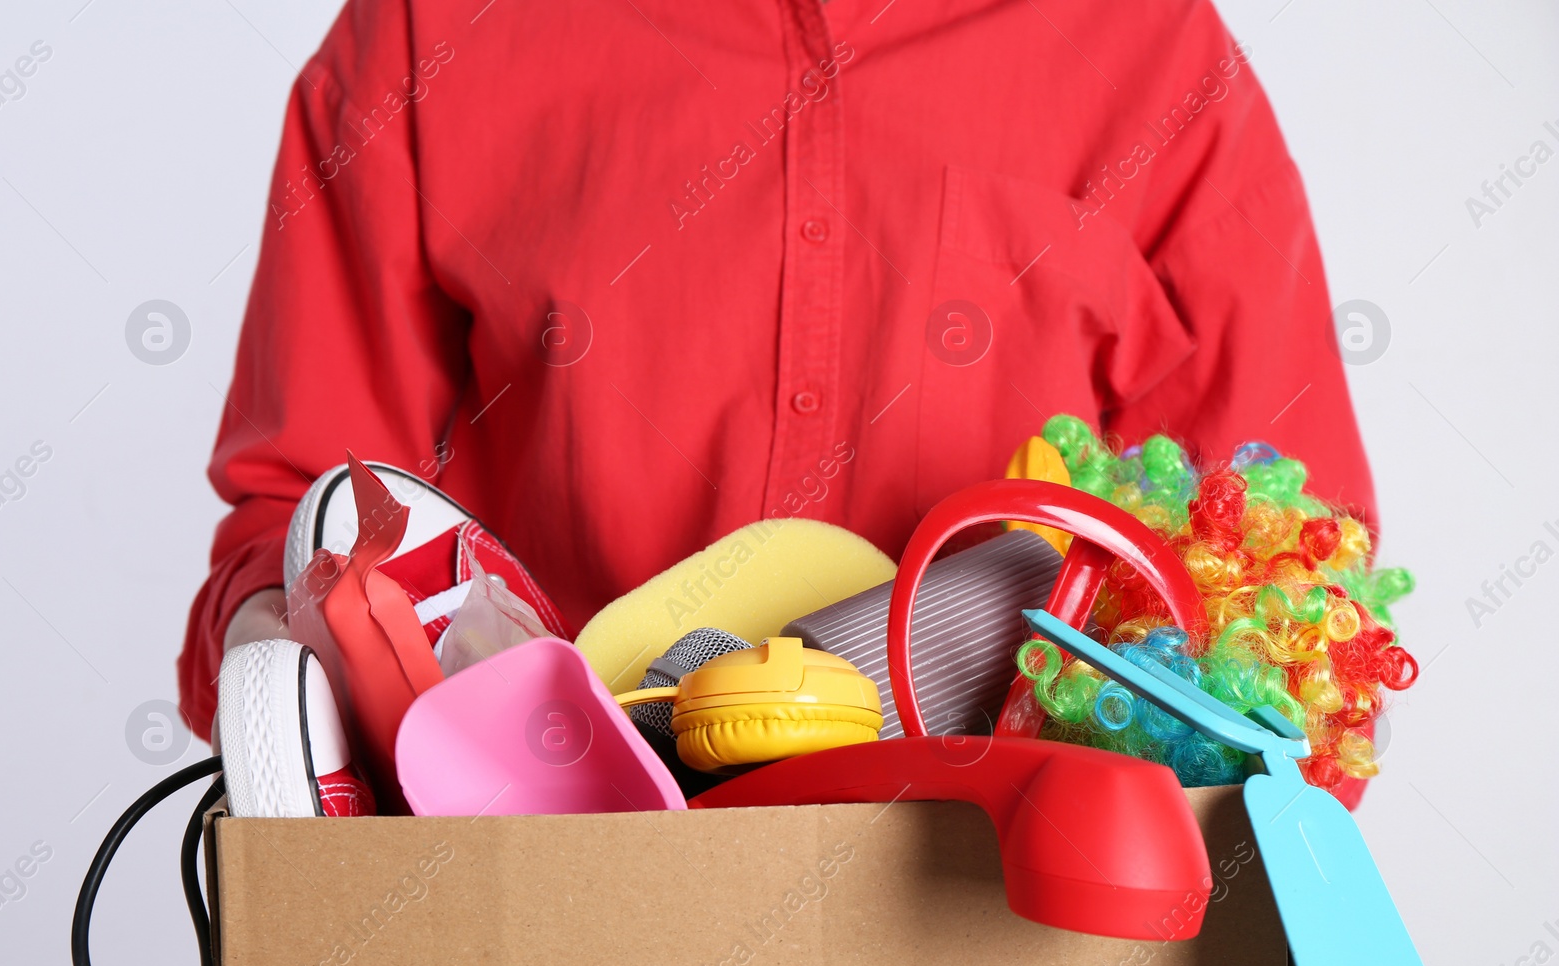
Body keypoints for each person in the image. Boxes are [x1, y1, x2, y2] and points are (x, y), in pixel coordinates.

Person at [181, 0, 1376, 755]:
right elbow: (299, 510)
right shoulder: (426, 31)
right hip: (551, 883)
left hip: (995, 914)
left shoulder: (1149, 53)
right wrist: (288, 675)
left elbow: (1294, 576)